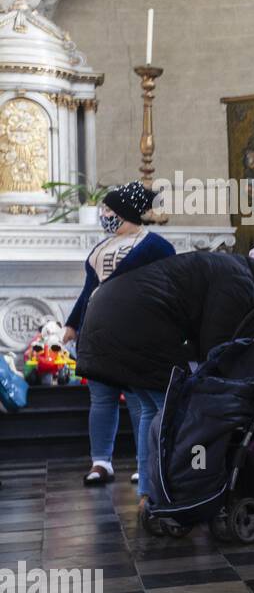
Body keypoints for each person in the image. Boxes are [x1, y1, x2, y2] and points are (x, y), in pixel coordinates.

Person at [74, 245, 254, 511]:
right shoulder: (240, 281)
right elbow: (216, 345)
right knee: (169, 414)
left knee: (152, 410)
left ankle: (149, 493)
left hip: (107, 316)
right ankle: (169, 493)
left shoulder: (229, 269)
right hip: (133, 325)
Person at [63, 181, 175, 486]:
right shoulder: (101, 247)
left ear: (125, 212)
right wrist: (73, 324)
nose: (104, 214)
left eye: (109, 209)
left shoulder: (154, 245)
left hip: (133, 333)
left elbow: (167, 287)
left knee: (140, 399)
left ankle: (145, 462)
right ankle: (101, 461)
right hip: (97, 333)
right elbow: (90, 290)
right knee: (101, 398)